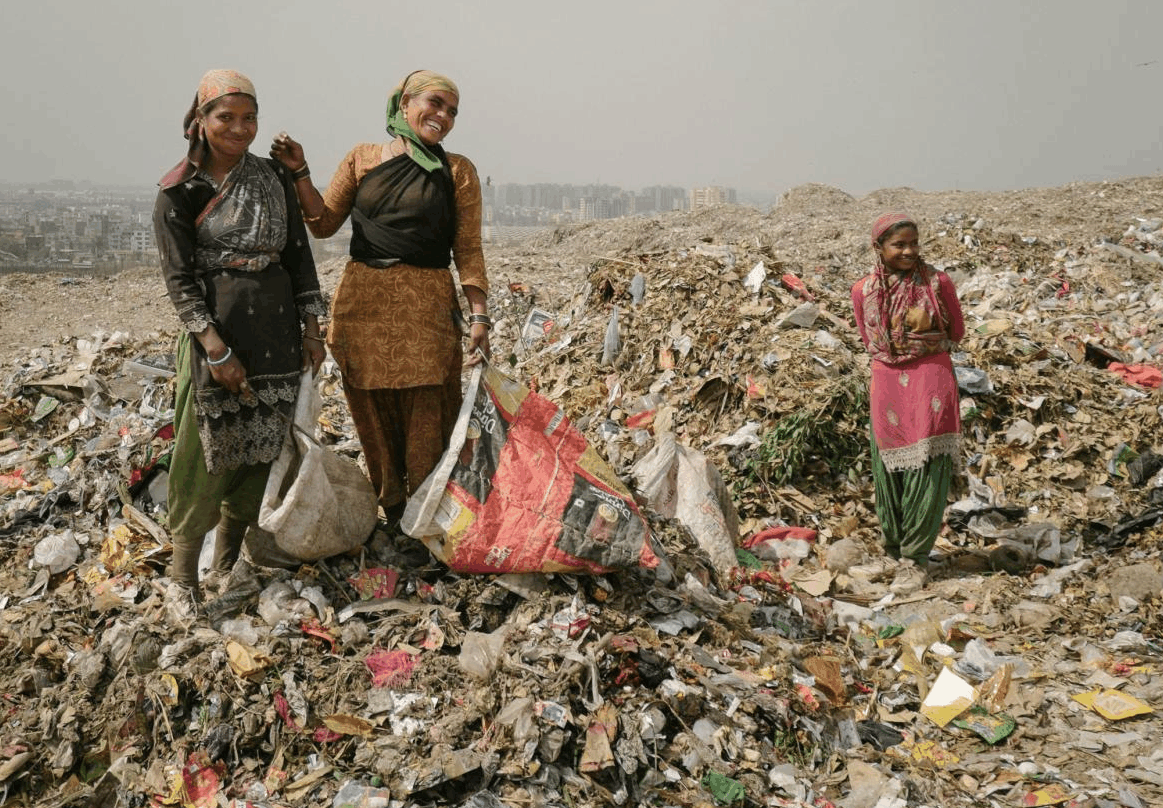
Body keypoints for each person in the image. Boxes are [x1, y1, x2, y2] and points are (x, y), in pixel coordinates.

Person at [269, 70, 490, 528]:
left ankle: (426, 515)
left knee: (431, 408)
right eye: (436, 103)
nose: (444, 117)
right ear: (405, 103)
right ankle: (391, 511)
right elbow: (323, 222)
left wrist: (480, 317)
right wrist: (300, 173)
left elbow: (468, 247)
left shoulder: (457, 171)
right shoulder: (362, 159)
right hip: (362, 309)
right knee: (372, 411)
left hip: (426, 310)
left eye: (452, 111)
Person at [153, 69, 327, 626]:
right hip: (218, 339)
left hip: (275, 335)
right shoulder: (180, 189)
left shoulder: (273, 177)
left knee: (260, 456)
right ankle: (182, 581)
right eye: (226, 117)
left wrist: (312, 327)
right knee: (201, 457)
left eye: (249, 117)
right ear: (199, 120)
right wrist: (214, 348)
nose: (239, 128)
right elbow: (179, 280)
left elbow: (300, 257)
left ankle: (226, 568)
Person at [851, 213, 965, 577]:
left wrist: (920, 343)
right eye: (899, 245)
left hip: (931, 378)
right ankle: (893, 550)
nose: (909, 251)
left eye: (914, 243)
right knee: (889, 467)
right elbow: (870, 340)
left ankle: (915, 561)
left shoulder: (938, 282)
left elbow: (957, 331)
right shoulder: (863, 291)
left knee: (928, 465)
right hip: (886, 381)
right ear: (878, 248)